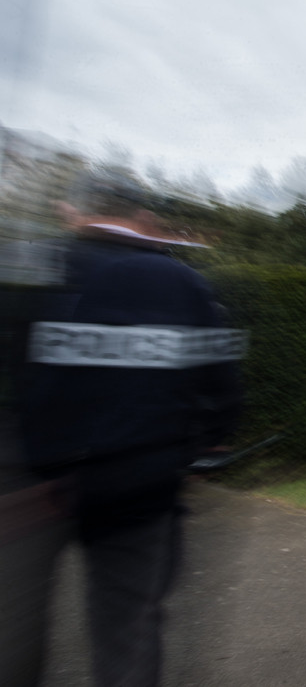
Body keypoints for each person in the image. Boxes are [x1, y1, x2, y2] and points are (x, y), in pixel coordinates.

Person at [0, 167, 243, 687]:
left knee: (12, 626)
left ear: (78, 210)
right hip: (141, 486)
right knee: (128, 632)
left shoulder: (37, 264)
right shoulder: (183, 283)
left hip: (31, 488)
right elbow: (223, 384)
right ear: (142, 217)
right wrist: (203, 448)